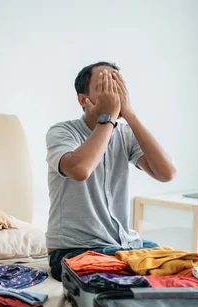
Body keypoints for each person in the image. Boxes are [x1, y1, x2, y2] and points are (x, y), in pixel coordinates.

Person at [45, 61, 177, 281]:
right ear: (83, 100)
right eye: (105, 87)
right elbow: (80, 169)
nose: (113, 93)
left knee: (179, 264)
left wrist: (130, 115)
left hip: (124, 246)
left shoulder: (125, 134)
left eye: (116, 85)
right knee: (136, 278)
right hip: (74, 251)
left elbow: (167, 173)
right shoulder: (62, 132)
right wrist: (109, 117)